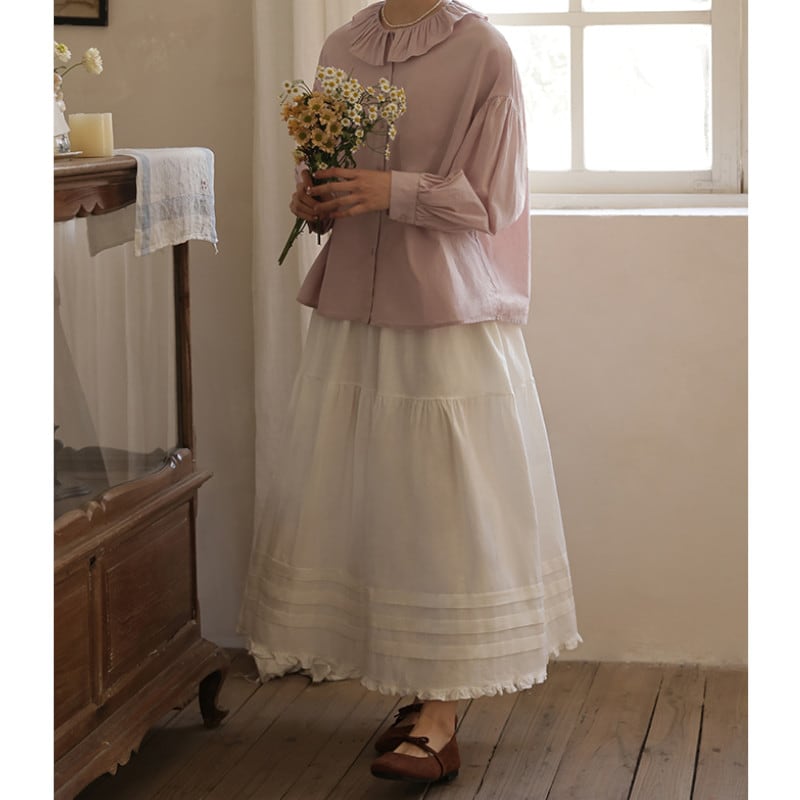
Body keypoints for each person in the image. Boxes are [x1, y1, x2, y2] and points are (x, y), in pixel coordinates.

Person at [238, 0, 581, 785]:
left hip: (442, 316)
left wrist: (389, 190)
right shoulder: (340, 46)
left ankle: (440, 712)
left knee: (444, 507)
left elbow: (493, 202)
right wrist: (314, 199)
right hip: (353, 314)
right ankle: (415, 688)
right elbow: (329, 175)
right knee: (377, 501)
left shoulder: (483, 51)